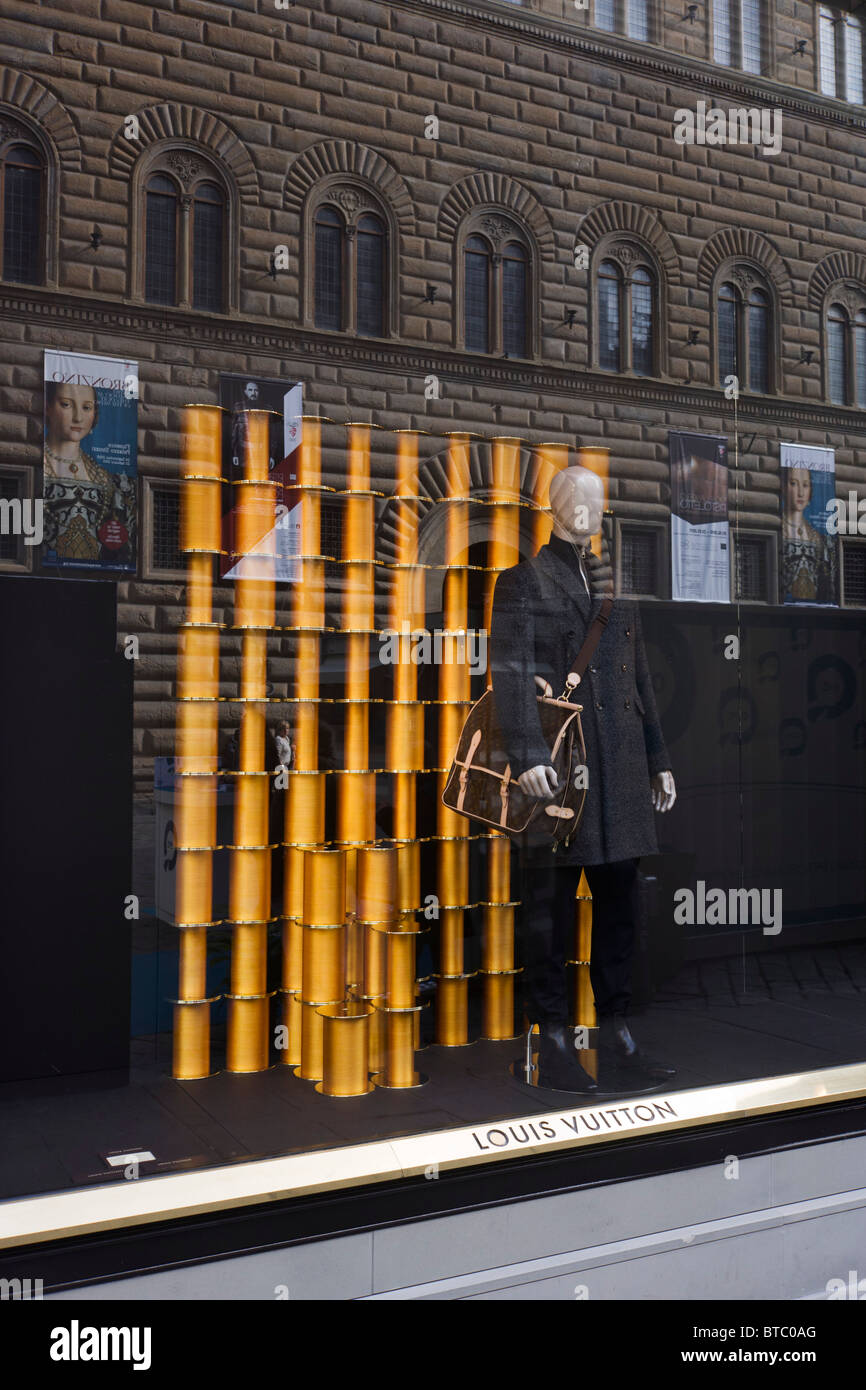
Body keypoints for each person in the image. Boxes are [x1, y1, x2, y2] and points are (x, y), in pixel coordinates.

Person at [490, 465, 677, 1092]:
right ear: (552, 505)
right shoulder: (521, 582)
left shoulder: (613, 589)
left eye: (597, 503)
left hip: (619, 773)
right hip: (561, 773)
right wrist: (527, 753)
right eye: (576, 500)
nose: (587, 511)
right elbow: (512, 676)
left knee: (621, 906)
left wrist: (659, 760)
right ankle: (549, 1040)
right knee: (550, 914)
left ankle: (619, 1032)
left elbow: (640, 683)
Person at [43, 382, 132, 565]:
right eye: (66, 404)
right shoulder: (36, 467)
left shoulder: (105, 478)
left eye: (86, 407)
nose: (78, 418)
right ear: (48, 407)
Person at [782, 467, 836, 604]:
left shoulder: (818, 538)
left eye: (805, 485)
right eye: (793, 483)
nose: (800, 493)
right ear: (784, 487)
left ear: (811, 491)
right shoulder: (778, 531)